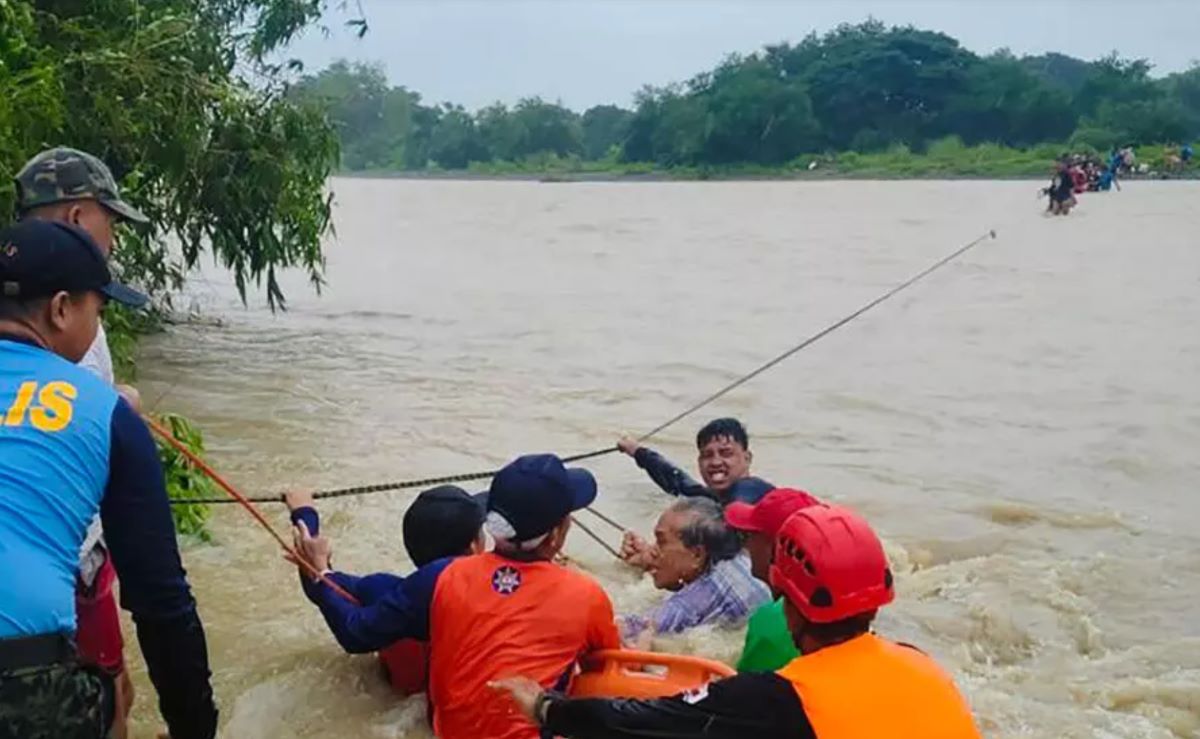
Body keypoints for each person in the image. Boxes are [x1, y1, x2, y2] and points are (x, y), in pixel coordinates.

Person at [492, 504, 983, 739]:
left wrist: (546, 707)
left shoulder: (774, 697)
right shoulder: (923, 666)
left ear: (784, 597)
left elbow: (635, 722)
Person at [0, 220, 217, 739]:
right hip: (21, 677)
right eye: (98, 311)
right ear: (60, 309)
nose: (98, 327)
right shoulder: (104, 412)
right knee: (112, 701)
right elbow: (162, 603)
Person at [290, 453, 620, 739]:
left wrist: (310, 534)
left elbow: (349, 621)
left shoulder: (438, 577)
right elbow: (607, 667)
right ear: (559, 533)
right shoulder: (587, 593)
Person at [14, 146, 150, 736]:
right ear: (76, 217)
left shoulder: (26, 295)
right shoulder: (71, 311)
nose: (114, 237)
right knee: (111, 697)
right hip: (72, 557)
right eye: (110, 220)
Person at [285, 484, 487, 697]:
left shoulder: (385, 591)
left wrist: (305, 515)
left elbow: (325, 586)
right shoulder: (497, 592)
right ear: (475, 546)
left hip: (398, 702)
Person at [620, 498, 769, 645]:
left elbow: (632, 629)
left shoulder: (700, 596)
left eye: (661, 541)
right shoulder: (741, 558)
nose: (653, 550)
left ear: (697, 554)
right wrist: (648, 564)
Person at [724, 487, 821, 671]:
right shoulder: (841, 611)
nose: (746, 545)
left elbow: (743, 692)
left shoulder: (774, 620)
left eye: (749, 536)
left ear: (774, 549)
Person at [616, 418, 762, 504]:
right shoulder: (708, 501)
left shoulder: (763, 502)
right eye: (707, 455)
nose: (716, 462)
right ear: (699, 461)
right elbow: (676, 480)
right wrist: (637, 452)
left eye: (726, 453)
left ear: (747, 458)